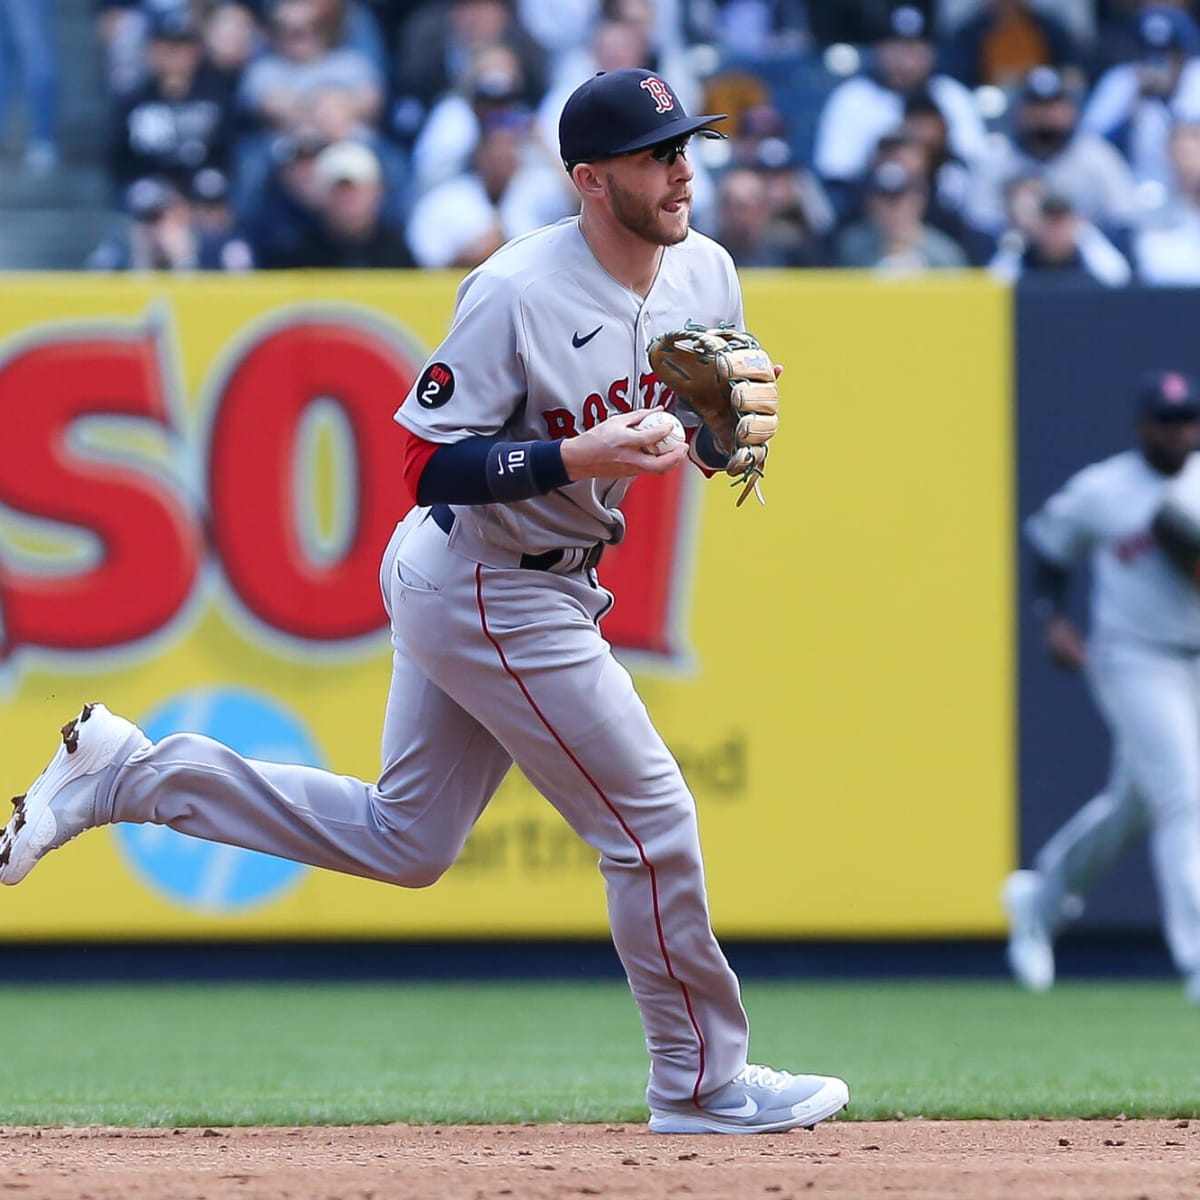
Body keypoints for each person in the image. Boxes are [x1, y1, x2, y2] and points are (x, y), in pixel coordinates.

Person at [0, 66, 850, 1137]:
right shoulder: (514, 289)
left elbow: (698, 427)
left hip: (529, 578)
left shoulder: (708, 273)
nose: (683, 170)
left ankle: (131, 775)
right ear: (590, 180)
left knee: (408, 841)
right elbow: (424, 464)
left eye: (686, 146)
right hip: (485, 577)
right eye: (655, 154)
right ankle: (699, 1085)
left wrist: (723, 443)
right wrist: (573, 452)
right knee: (651, 823)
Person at [1004, 370, 1200, 1003]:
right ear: (1143, 425)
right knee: (1184, 796)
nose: (1178, 431)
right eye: (1167, 421)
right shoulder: (1106, 489)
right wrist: (1051, 619)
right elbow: (1049, 547)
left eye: (1187, 419)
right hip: (1133, 658)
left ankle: (1041, 898)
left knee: (1136, 803)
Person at [1080, 5, 1200, 191]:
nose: (1159, 65)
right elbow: (1090, 144)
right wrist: (1132, 106)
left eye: (1169, 55)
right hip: (1139, 192)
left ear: (1184, 55)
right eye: (1151, 55)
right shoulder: (1122, 81)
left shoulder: (1196, 78)